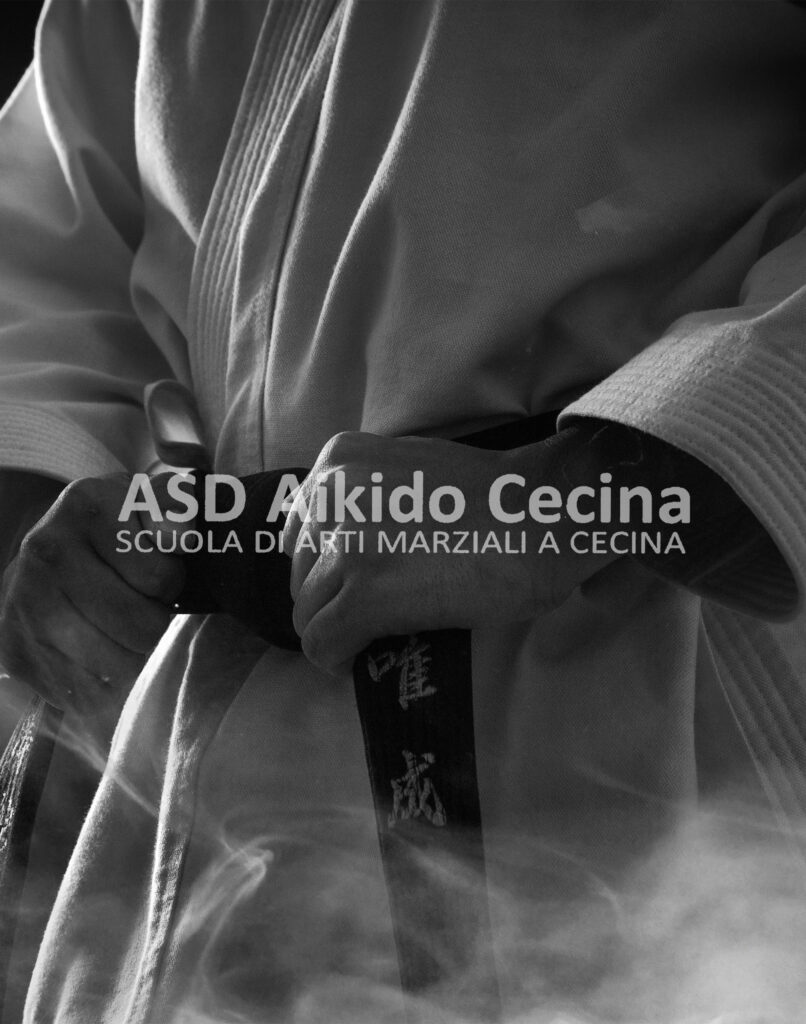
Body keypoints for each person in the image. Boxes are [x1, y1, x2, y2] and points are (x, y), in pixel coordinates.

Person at [1, 1, 806, 1021]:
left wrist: (567, 500)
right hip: (199, 722)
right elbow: (52, 209)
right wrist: (43, 500)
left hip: (645, 642)